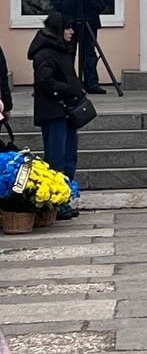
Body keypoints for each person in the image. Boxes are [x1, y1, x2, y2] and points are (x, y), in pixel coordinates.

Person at [29, 13, 85, 219]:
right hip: (53, 113)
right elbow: (44, 82)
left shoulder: (62, 50)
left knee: (69, 156)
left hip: (66, 112)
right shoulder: (44, 53)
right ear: (58, 30)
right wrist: (70, 89)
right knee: (56, 158)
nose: (72, 32)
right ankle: (55, 202)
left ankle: (64, 198)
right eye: (68, 28)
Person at [45, 0, 112, 94]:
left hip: (89, 17)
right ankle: (69, 83)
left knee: (89, 52)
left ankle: (91, 83)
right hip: (69, 17)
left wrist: (97, 6)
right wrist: (62, 5)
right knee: (68, 51)